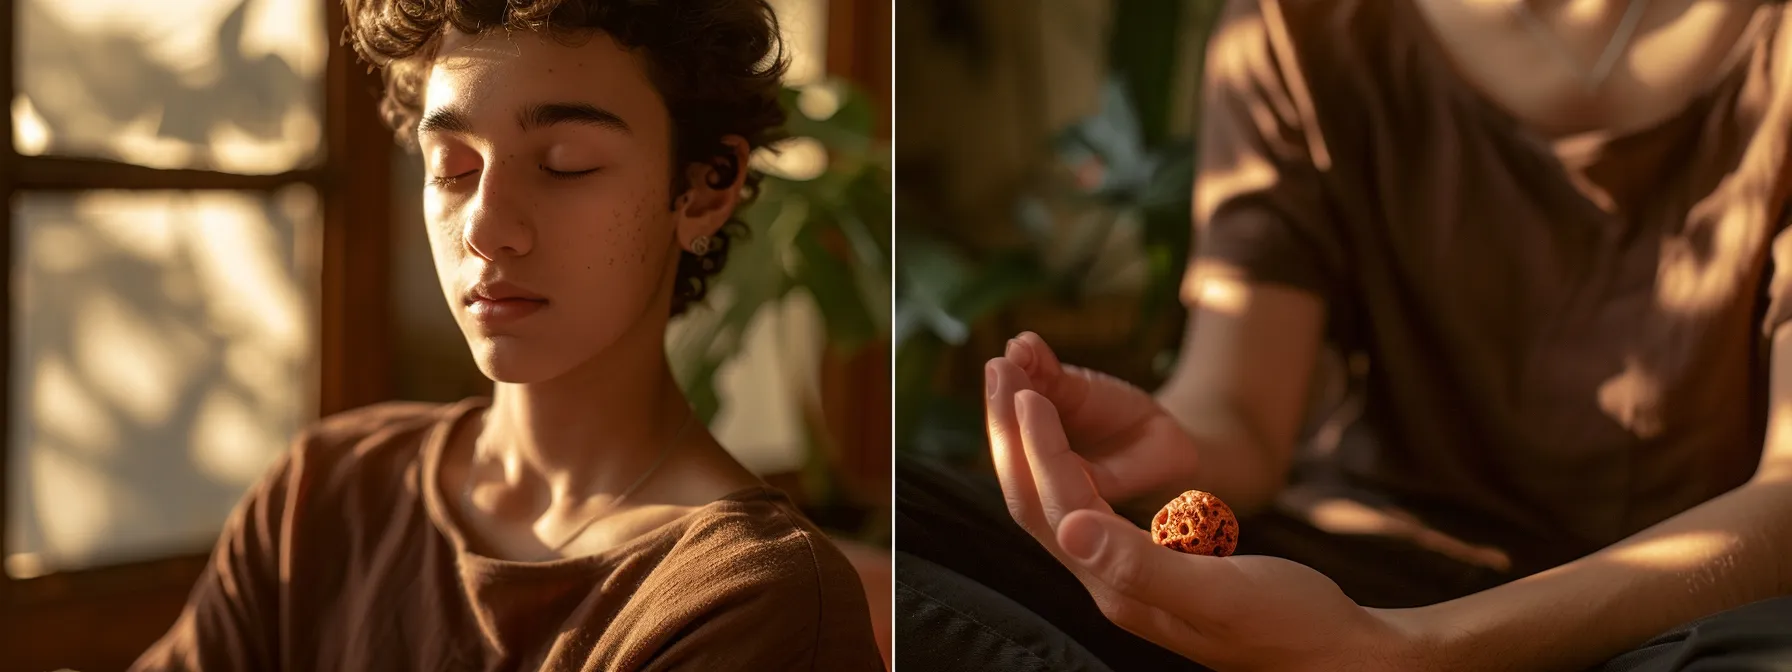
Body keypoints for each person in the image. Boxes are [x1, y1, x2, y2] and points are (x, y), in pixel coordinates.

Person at [896, 0, 1792, 669]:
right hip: (1354, 580)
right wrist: (1174, 449)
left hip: (1662, 614)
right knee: (898, 525)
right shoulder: (1298, 26)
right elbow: (1243, 415)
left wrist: (1412, 653)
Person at [129, 1, 883, 669]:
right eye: (453, 168)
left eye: (565, 165)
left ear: (702, 188)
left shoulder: (750, 600)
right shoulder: (325, 495)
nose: (487, 228)